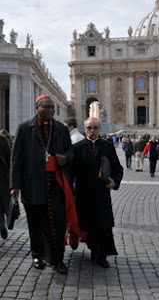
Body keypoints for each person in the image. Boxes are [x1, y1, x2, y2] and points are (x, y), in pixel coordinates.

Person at [10, 95, 86, 274]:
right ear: (37, 108)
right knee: (35, 223)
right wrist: (14, 185)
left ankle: (57, 258)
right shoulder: (24, 129)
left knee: (57, 224)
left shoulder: (60, 128)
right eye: (47, 108)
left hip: (56, 185)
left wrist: (66, 158)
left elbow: (70, 152)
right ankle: (37, 254)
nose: (51, 110)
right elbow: (16, 159)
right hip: (32, 184)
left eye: (52, 108)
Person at [72, 117, 123, 268]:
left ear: (100, 129)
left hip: (101, 193)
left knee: (102, 225)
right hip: (83, 194)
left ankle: (101, 255)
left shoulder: (107, 146)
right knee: (87, 224)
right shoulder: (77, 147)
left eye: (95, 128)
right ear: (85, 129)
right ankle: (91, 246)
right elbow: (71, 171)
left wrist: (115, 182)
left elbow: (117, 168)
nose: (92, 131)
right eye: (89, 128)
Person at [0, 133, 11, 240]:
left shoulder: (2, 140)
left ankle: (2, 226)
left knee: (0, 209)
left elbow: (10, 160)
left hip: (1, 180)